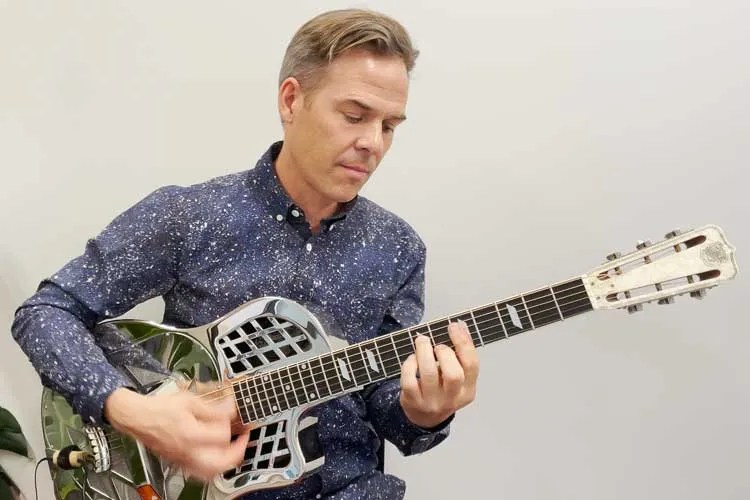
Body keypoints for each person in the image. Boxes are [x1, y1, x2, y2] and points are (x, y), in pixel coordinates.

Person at [12, 8, 479, 499]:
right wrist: (131, 409)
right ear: (292, 99)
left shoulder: (398, 248)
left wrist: (427, 410)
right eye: (355, 116)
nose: (372, 143)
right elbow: (45, 312)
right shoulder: (190, 215)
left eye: (389, 126)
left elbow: (391, 411)